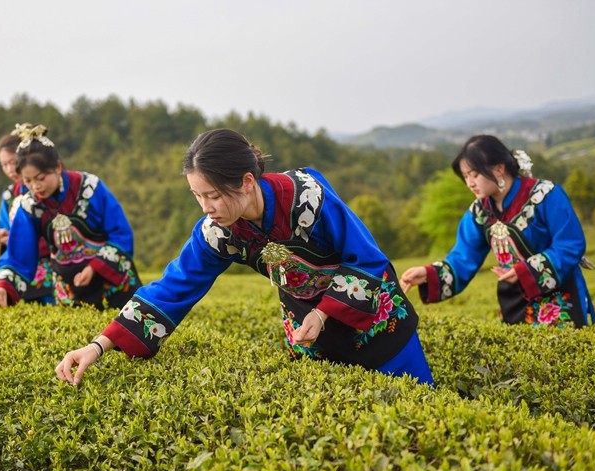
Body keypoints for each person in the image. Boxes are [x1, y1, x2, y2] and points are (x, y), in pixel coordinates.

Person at [56, 128, 434, 386]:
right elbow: (173, 287)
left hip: (373, 319)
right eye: (197, 196)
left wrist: (323, 313)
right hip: (309, 330)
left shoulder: (307, 198)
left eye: (213, 195)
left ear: (247, 182)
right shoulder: (218, 233)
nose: (206, 208)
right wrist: (98, 345)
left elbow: (367, 259)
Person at [399, 134, 595, 327]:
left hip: (559, 298)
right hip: (514, 301)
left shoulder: (545, 195)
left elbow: (570, 245)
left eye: (474, 175)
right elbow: (462, 259)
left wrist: (525, 271)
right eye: (465, 176)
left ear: (499, 169)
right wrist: (428, 274)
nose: (469, 183)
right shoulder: (479, 213)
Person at [0, 123, 141, 309]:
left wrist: (94, 267)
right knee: (77, 318)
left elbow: (120, 234)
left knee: (128, 315)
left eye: (41, 178)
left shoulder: (90, 187)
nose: (35, 186)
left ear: (58, 167)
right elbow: (19, 254)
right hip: (69, 285)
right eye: (28, 181)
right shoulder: (29, 206)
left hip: (111, 276)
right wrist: (2, 287)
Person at [0, 132, 55, 305]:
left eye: (13, 162)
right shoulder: (9, 195)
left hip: (49, 264)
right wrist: (3, 235)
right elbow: (6, 226)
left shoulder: (45, 190)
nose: (10, 169)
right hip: (20, 262)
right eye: (4, 165)